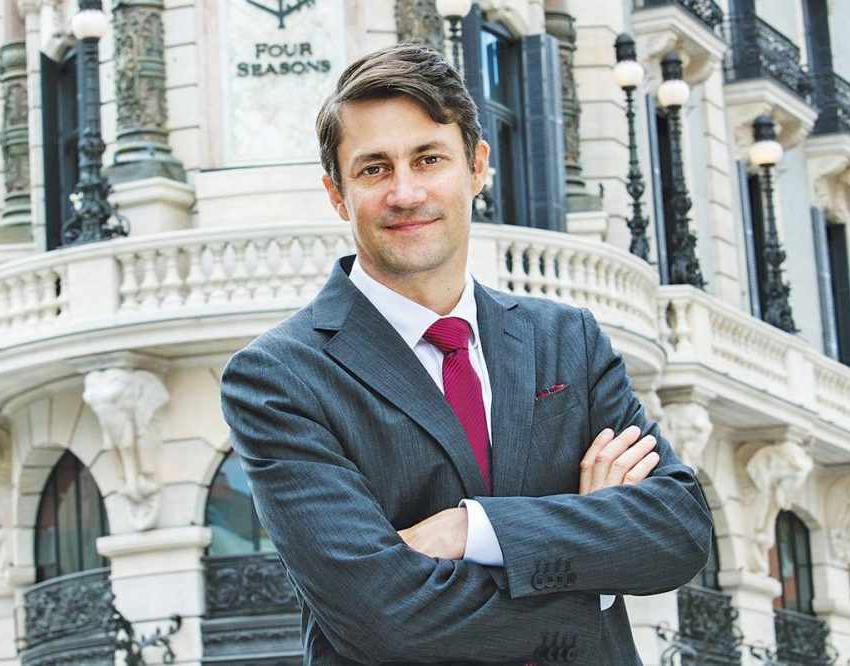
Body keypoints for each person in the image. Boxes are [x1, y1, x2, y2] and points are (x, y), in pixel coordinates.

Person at [220, 43, 712, 666]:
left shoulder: (568, 340)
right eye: (373, 169)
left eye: (429, 159)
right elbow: (386, 618)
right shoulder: (277, 378)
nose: (405, 192)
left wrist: (471, 528)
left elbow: (680, 529)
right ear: (337, 194)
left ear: (476, 167)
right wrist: (597, 569)